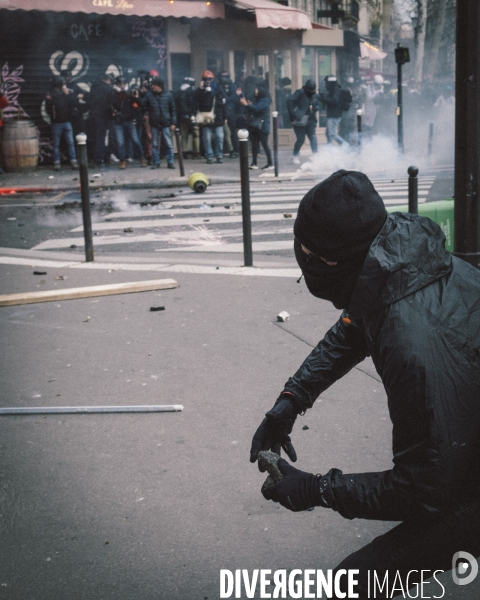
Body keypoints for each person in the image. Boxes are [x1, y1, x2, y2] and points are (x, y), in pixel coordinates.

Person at [250, 169, 480, 598]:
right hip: (463, 447)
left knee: (353, 584)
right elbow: (354, 327)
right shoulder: (399, 259)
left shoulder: (411, 345)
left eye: (305, 252)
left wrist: (316, 488)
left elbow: (423, 490)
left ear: (331, 263)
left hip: (466, 475)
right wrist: (291, 398)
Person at [111, 77, 147, 169]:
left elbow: (137, 107)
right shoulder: (112, 94)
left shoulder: (129, 94)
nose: (121, 85)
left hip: (129, 120)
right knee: (120, 142)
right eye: (119, 84)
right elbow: (109, 104)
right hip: (118, 121)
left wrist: (136, 98)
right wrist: (112, 112)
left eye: (122, 83)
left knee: (135, 140)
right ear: (116, 84)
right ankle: (122, 160)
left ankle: (142, 158)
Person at [141, 77, 176, 169]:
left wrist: (173, 123)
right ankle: (156, 161)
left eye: (154, 85)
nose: (152, 87)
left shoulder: (168, 95)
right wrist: (142, 94)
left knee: (168, 143)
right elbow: (142, 105)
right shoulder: (149, 95)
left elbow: (173, 109)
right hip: (154, 123)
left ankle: (170, 162)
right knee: (155, 144)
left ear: (159, 86)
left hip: (165, 123)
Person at [45, 76, 79, 170]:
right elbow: (48, 109)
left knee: (70, 142)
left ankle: (73, 161)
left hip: (66, 121)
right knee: (57, 144)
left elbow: (73, 104)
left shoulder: (65, 93)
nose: (65, 85)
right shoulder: (51, 95)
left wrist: (68, 95)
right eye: (63, 84)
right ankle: (57, 162)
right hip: (57, 123)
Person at [192, 70, 225, 164]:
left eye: (209, 79)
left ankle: (219, 155)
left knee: (219, 137)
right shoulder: (200, 90)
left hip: (217, 116)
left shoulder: (218, 88)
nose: (208, 81)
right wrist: (201, 90)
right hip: (206, 117)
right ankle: (209, 156)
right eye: (205, 79)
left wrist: (224, 117)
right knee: (207, 138)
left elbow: (222, 103)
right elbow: (196, 101)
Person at [240, 84, 273, 170]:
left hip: (262, 126)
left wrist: (247, 105)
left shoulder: (265, 100)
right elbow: (255, 108)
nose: (255, 92)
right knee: (254, 144)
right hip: (256, 125)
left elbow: (257, 108)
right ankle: (254, 163)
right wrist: (248, 104)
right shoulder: (259, 100)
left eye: (257, 91)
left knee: (264, 144)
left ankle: (270, 163)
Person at [286, 79, 320, 164]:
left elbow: (319, 106)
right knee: (301, 139)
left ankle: (315, 156)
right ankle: (295, 155)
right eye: (310, 90)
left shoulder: (314, 95)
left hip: (311, 119)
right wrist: (293, 113)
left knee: (313, 138)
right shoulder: (300, 92)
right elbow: (289, 100)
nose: (312, 92)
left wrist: (314, 108)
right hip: (299, 119)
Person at [87, 73, 114, 167]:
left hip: (93, 116)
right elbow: (111, 104)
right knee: (103, 138)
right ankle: (102, 158)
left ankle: (95, 158)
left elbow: (89, 100)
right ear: (106, 80)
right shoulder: (108, 89)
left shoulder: (93, 88)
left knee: (95, 138)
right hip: (104, 117)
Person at [319, 75, 351, 147]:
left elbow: (334, 101)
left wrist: (323, 99)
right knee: (328, 134)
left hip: (334, 115)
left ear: (330, 82)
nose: (325, 84)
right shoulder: (333, 90)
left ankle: (346, 146)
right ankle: (330, 150)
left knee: (332, 134)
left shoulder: (336, 90)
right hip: (332, 114)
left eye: (326, 82)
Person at [174, 76, 200, 159]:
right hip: (192, 116)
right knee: (195, 135)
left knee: (184, 136)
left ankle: (183, 152)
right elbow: (195, 104)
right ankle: (196, 153)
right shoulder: (192, 92)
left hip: (182, 117)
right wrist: (193, 114)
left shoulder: (178, 92)